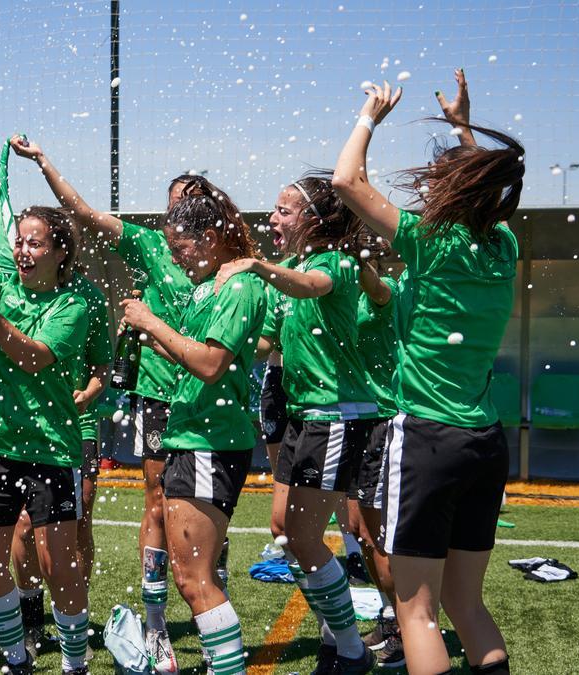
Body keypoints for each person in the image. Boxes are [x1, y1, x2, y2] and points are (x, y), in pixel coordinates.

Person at [10, 135, 235, 673]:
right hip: (161, 397)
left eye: (190, 204)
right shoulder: (153, 246)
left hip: (214, 402)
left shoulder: (232, 269)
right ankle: (156, 626)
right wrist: (44, 162)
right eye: (173, 203)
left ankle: (210, 612)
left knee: (207, 528)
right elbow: (83, 213)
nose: (177, 215)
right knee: (157, 505)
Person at [332, 71, 521, 675]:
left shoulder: (430, 242)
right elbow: (483, 195)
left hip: (428, 441)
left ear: (451, 194)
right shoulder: (502, 250)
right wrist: (464, 130)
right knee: (469, 605)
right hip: (485, 442)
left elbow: (345, 181)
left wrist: (370, 115)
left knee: (417, 612)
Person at [220, 170, 381, 674]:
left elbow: (311, 287)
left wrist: (254, 265)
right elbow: (264, 342)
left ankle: (351, 649)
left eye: (283, 210)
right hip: (302, 416)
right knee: (285, 532)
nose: (271, 217)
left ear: (313, 218)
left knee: (312, 537)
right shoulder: (288, 268)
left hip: (336, 415)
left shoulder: (335, 262)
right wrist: (204, 341)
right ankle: (339, 639)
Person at [118, 193, 266, 675]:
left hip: (210, 442)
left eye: (179, 247)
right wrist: (151, 337)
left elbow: (209, 364)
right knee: (190, 575)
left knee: (196, 577)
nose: (175, 258)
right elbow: (193, 360)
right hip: (192, 438)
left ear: (209, 237)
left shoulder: (237, 287)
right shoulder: (205, 286)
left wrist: (150, 320)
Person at [0, 192, 90, 675]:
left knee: (57, 564)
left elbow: (32, 357)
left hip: (51, 450)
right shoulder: (4, 286)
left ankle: (75, 662)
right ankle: (16, 658)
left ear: (59, 253)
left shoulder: (72, 306)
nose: (23, 251)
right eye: (19, 242)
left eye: (35, 243)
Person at [347, 256, 406, 668]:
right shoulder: (340, 295)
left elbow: (378, 290)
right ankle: (392, 615)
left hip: (380, 420)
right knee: (358, 530)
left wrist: (354, 261)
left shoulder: (384, 292)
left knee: (377, 534)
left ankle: (408, 628)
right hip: (353, 419)